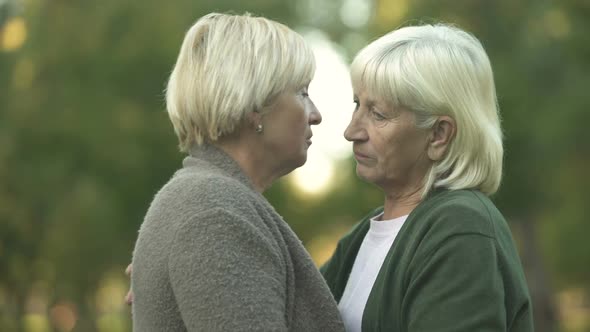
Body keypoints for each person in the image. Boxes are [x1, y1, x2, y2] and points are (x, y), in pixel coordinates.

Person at [129, 13, 344, 331]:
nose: (316, 115)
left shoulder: (208, 200)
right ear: (256, 105)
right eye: (302, 92)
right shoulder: (215, 211)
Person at [320, 24, 534, 331]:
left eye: (377, 114)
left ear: (438, 135)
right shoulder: (363, 237)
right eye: (357, 105)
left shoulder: (460, 227)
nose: (351, 131)